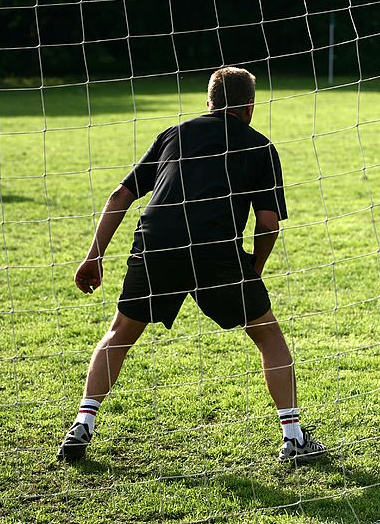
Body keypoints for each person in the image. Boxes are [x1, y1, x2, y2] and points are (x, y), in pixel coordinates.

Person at [57, 67, 326, 464]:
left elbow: (120, 195)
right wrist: (255, 267)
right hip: (216, 250)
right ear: (250, 106)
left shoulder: (174, 133)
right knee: (268, 337)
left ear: (209, 102)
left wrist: (93, 255)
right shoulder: (260, 146)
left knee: (119, 334)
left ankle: (83, 423)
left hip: (156, 242)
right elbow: (268, 223)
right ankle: (293, 437)